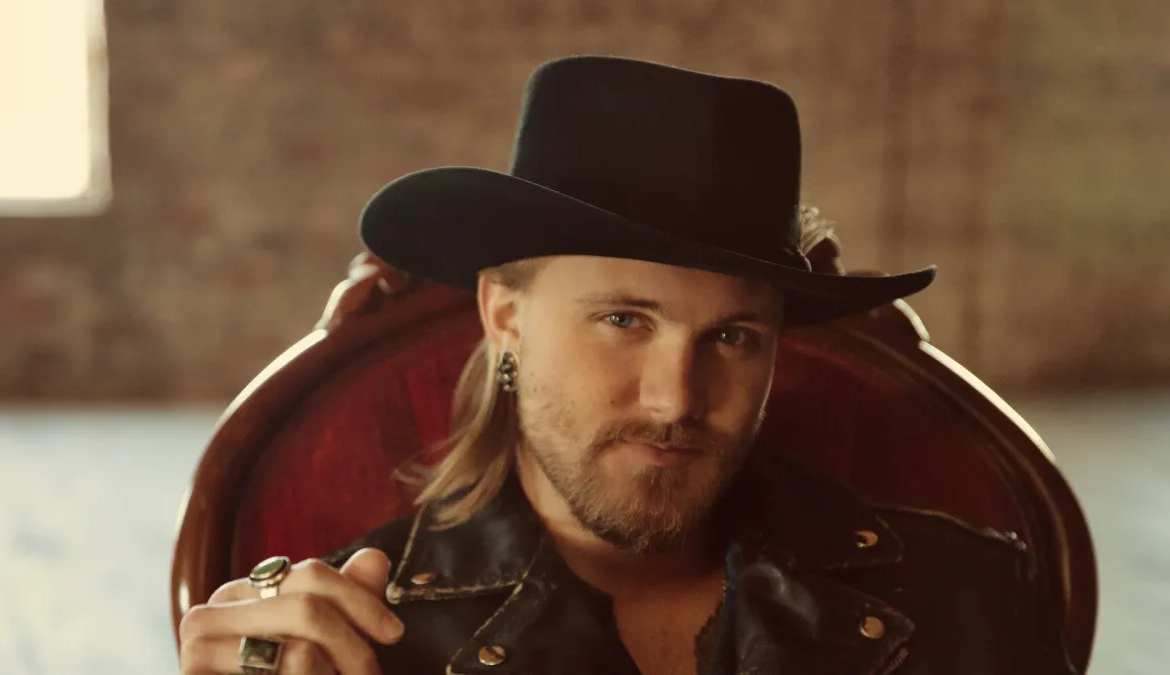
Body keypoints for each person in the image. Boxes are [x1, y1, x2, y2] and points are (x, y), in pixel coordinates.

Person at [177, 55, 1077, 675]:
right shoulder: (348, 638)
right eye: (623, 319)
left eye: (732, 337)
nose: (675, 399)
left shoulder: (966, 595)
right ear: (505, 315)